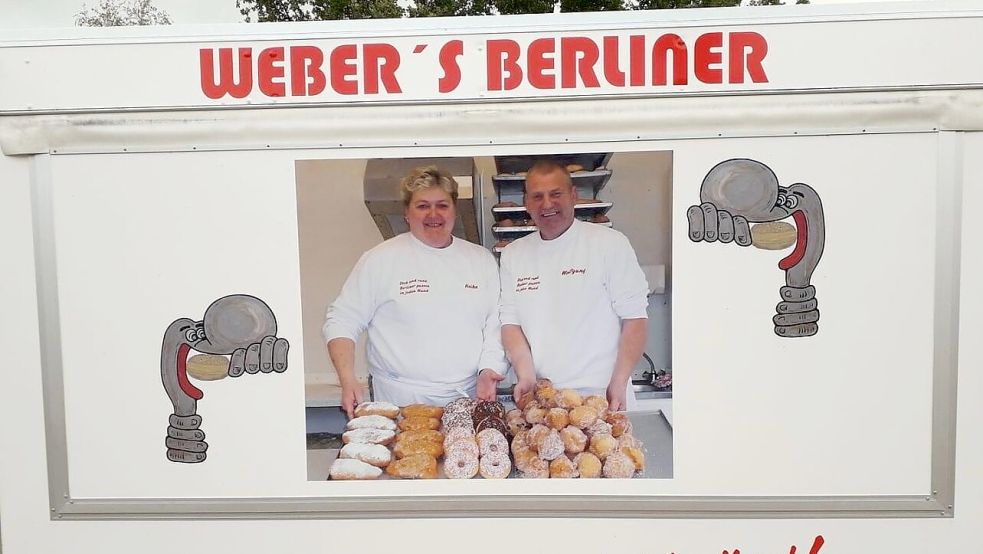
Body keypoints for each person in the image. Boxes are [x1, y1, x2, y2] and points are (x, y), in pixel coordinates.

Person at [322, 166, 507, 417]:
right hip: (399, 399)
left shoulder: (480, 260)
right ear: (407, 213)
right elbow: (342, 320)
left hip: (467, 395)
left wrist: (489, 369)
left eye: (442, 205)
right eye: (422, 206)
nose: (433, 214)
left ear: (454, 208)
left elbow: (496, 323)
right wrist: (347, 379)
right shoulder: (380, 259)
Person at [499, 160, 649, 411]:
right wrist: (526, 376)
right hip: (541, 398)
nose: (547, 204)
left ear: (573, 195)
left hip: (602, 394)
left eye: (555, 194)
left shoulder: (608, 244)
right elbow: (510, 323)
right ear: (527, 203)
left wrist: (619, 380)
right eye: (537, 196)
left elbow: (635, 318)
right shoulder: (514, 254)